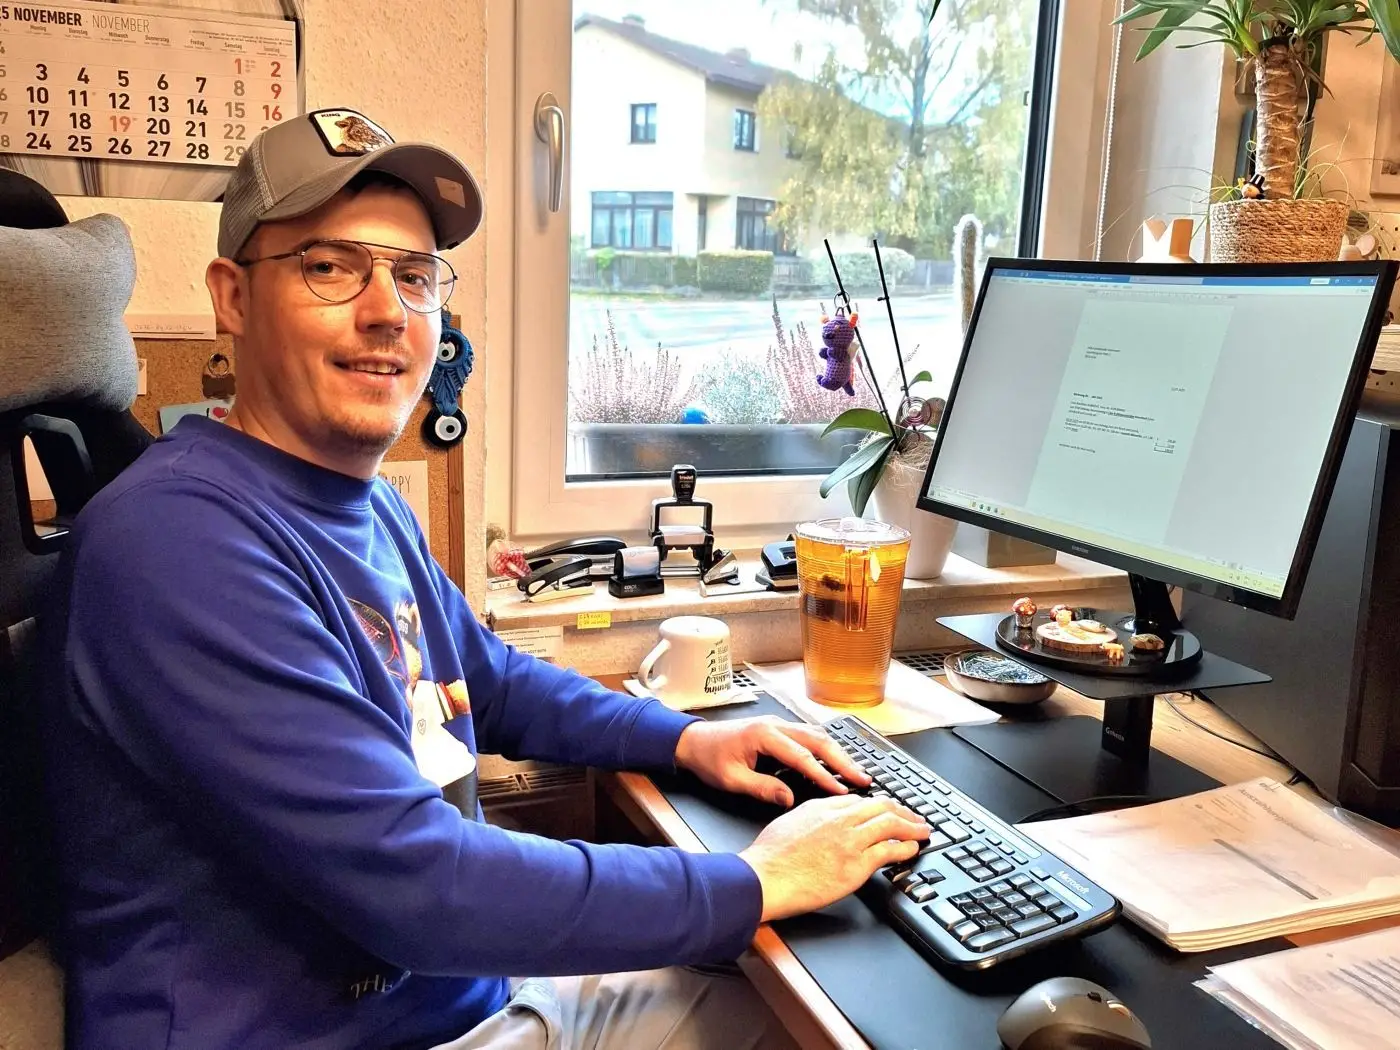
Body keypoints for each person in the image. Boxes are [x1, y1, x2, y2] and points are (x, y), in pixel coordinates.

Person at [41, 108, 930, 1050]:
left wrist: (685, 739)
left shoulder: (363, 504)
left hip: (462, 1002)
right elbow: (422, 887)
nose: (387, 310)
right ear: (233, 297)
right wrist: (754, 881)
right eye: (329, 266)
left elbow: (488, 681)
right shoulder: (178, 544)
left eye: (415, 276)